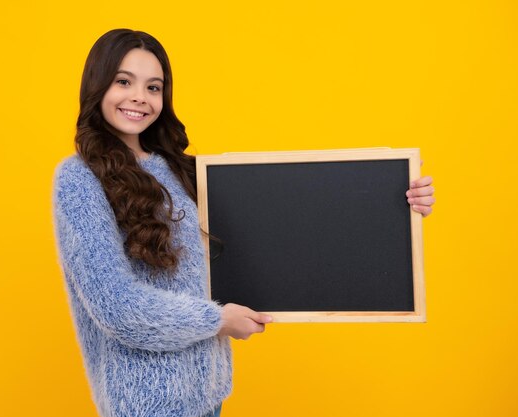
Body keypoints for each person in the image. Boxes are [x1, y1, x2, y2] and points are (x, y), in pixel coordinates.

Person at [51, 29, 435, 417]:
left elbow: (292, 220)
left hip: (208, 395)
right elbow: (116, 307)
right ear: (97, 86)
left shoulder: (177, 169)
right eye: (123, 82)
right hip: (144, 404)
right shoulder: (79, 180)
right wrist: (217, 319)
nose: (139, 97)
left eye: (154, 87)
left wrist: (395, 201)